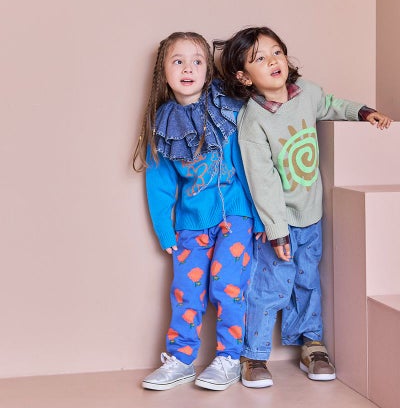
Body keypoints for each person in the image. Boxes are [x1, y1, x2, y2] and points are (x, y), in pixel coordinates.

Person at [214, 26, 393, 388]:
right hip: (278, 222)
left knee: (308, 281)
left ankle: (311, 344)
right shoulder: (253, 120)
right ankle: (254, 354)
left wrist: (362, 112)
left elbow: (331, 104)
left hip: (311, 216)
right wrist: (277, 230)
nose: (273, 61)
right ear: (244, 77)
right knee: (270, 286)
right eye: (260, 59)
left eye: (276, 52)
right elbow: (262, 180)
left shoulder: (306, 93)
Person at [133, 32, 262, 391]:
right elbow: (159, 182)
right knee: (185, 293)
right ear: (164, 71)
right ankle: (181, 359)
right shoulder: (162, 121)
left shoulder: (224, 107)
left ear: (208, 70)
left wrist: (257, 215)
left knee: (226, 285)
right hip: (190, 224)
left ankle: (228, 358)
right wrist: (165, 229)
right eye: (178, 61)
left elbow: (246, 163)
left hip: (235, 217)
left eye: (197, 61)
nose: (188, 69)